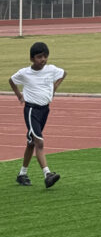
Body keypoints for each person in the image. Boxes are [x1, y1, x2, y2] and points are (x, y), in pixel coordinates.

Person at [9, 42, 66, 188]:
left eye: (45, 56)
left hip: (44, 110)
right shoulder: (24, 73)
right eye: (39, 57)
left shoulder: (51, 69)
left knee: (31, 143)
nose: (43, 59)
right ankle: (47, 174)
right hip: (31, 111)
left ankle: (22, 174)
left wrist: (55, 87)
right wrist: (19, 96)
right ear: (32, 58)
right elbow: (12, 80)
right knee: (39, 142)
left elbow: (63, 73)